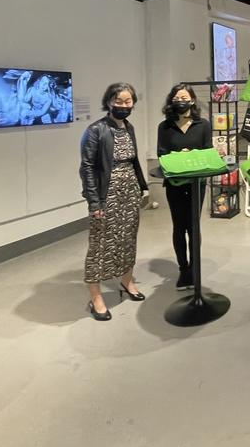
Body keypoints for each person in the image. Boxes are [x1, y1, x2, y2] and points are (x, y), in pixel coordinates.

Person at [79, 82, 149, 321]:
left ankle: (127, 281)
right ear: (108, 102)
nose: (123, 106)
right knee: (100, 245)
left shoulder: (129, 127)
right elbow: (87, 168)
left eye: (128, 102)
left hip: (129, 193)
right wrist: (94, 202)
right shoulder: (95, 130)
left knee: (128, 238)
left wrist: (141, 187)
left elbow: (133, 160)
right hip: (106, 194)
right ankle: (96, 296)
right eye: (118, 101)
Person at [157, 83, 212, 290]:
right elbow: (161, 154)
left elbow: (208, 151)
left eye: (184, 98)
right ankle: (184, 269)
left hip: (197, 183)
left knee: (193, 226)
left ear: (193, 100)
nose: (181, 101)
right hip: (174, 184)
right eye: (177, 98)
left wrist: (192, 155)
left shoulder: (203, 125)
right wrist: (179, 157)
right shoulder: (164, 127)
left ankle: (195, 269)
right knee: (179, 227)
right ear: (172, 101)